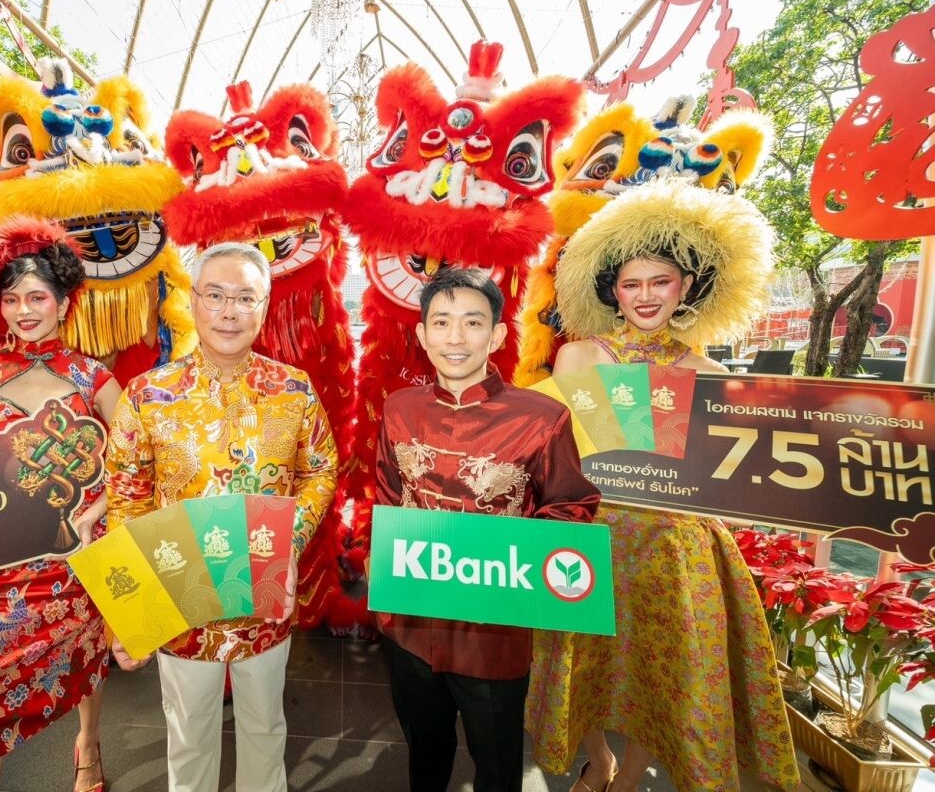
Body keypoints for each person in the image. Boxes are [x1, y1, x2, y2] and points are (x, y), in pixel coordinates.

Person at [525, 180, 799, 792]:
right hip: (590, 536)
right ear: (612, 291)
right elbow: (556, 450)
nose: (645, 296)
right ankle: (599, 758)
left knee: (662, 664)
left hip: (675, 546)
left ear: (687, 287)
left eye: (660, 281)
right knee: (577, 657)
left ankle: (632, 776)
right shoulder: (580, 358)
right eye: (631, 284)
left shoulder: (710, 372)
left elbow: (728, 470)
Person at [105, 241, 338, 792]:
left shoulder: (295, 391)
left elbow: (321, 472)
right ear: (193, 300)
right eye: (215, 295)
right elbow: (127, 495)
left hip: (265, 594)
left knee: (265, 727)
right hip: (182, 597)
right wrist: (134, 605)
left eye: (244, 297)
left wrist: (285, 540)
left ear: (263, 307)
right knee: (188, 734)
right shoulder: (147, 395)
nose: (229, 311)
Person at [373, 267, 601, 792]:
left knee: (497, 764)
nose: (456, 337)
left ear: (497, 335)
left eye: (473, 322)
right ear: (422, 334)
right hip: (411, 621)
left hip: (493, 633)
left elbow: (571, 504)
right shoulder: (398, 409)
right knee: (424, 752)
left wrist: (513, 559)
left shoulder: (542, 417)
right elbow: (387, 491)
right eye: (442, 322)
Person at [0, 218, 122, 792]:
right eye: (11, 297)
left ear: (64, 303)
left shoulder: (93, 375)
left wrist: (105, 503)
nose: (23, 309)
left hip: (81, 560)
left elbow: (137, 462)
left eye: (37, 296)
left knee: (90, 661)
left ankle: (88, 747)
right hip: (4, 571)